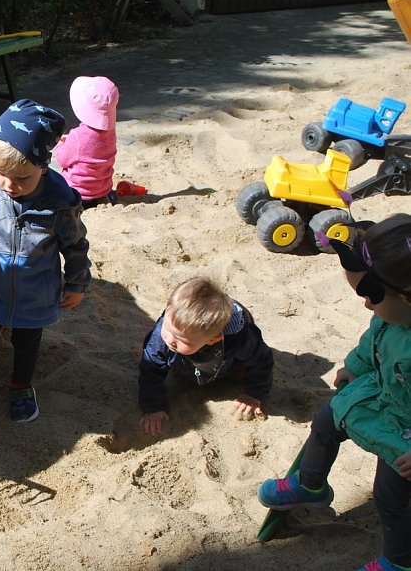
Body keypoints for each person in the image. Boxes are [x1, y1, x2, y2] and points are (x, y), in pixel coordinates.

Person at [258, 214, 411, 571]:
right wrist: (356, 366)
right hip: (387, 394)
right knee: (327, 418)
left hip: (405, 434)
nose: (367, 307)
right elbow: (373, 338)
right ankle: (310, 484)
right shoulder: (394, 314)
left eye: (370, 298)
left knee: (390, 496)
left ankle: (400, 562)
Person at [0, 99, 92, 423]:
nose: (10, 185)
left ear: (43, 166)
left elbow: (76, 245)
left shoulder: (60, 203)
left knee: (27, 343)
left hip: (35, 291)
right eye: (0, 173)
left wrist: (77, 283)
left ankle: (21, 387)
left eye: (22, 178)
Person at [138, 277, 274, 436]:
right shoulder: (164, 336)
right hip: (192, 356)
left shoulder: (241, 340)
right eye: (167, 328)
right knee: (163, 354)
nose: (170, 340)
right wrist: (153, 408)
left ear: (213, 340)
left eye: (181, 339)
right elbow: (150, 369)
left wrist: (253, 394)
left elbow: (262, 362)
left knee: (241, 373)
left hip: (226, 359)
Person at [54, 76, 120, 209]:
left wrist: (62, 144)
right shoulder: (110, 131)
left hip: (77, 192)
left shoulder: (77, 135)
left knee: (50, 180)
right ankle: (103, 199)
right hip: (102, 188)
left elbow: (62, 160)